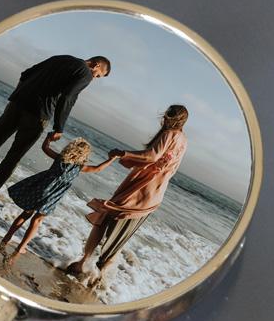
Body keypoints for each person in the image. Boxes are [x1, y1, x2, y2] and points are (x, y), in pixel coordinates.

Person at [0, 54, 111, 224]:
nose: (94, 79)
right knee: (11, 159)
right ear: (96, 65)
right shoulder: (85, 73)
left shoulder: (60, 58)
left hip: (17, 104)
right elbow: (67, 97)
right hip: (38, 115)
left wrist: (20, 95)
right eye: (98, 75)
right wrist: (59, 126)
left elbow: (26, 74)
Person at [66, 104, 189, 277]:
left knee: (105, 217)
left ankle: (85, 264)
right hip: (155, 193)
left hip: (140, 187)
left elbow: (152, 156)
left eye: (168, 115)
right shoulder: (184, 140)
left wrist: (123, 153)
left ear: (170, 117)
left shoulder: (169, 134)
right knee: (121, 233)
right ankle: (99, 275)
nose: (165, 119)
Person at [1, 134, 119, 256]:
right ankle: (21, 246)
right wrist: (112, 159)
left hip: (40, 188)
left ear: (70, 148)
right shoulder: (79, 167)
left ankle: (7, 237)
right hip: (53, 196)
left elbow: (45, 148)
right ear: (85, 155)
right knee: (37, 219)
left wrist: (49, 138)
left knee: (26, 213)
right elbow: (98, 169)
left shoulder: (60, 158)